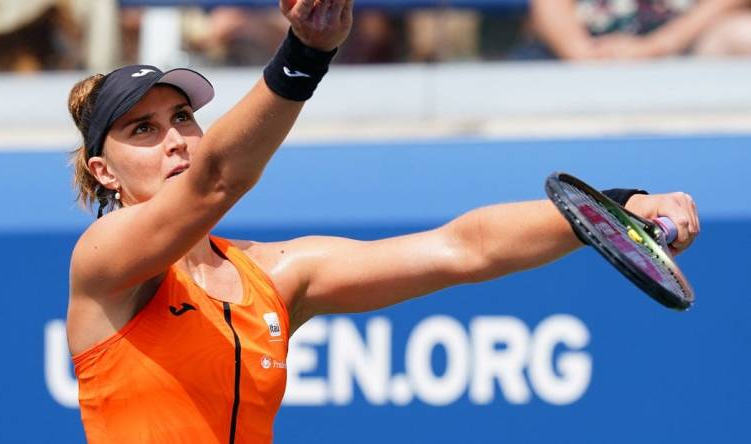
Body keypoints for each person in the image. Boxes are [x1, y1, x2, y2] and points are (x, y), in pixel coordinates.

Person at [66, 1, 699, 443]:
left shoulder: (274, 278)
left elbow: (462, 248)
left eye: (182, 118)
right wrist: (304, 54)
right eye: (142, 130)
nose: (175, 139)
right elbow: (218, 182)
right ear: (105, 172)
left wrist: (613, 207)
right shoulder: (105, 264)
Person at [528, 0, 751, 60]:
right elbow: (549, 5)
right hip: (580, 50)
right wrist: (580, 51)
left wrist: (655, 47)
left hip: (689, 43)